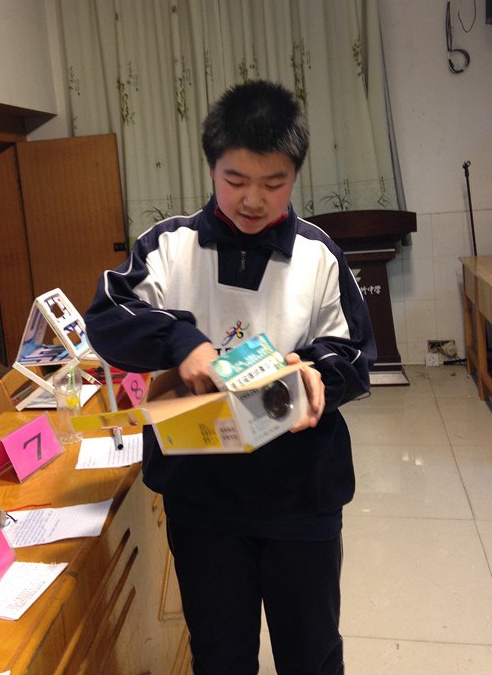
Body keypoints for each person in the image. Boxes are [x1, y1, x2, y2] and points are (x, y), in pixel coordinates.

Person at [85, 80, 376, 675]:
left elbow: (355, 351)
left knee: (312, 653)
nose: (253, 200)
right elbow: (108, 317)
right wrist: (182, 341)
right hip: (203, 499)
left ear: (295, 176)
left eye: (274, 183)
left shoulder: (318, 254)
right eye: (235, 180)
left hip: (301, 496)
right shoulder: (169, 246)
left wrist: (317, 372)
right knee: (219, 656)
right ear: (211, 168)